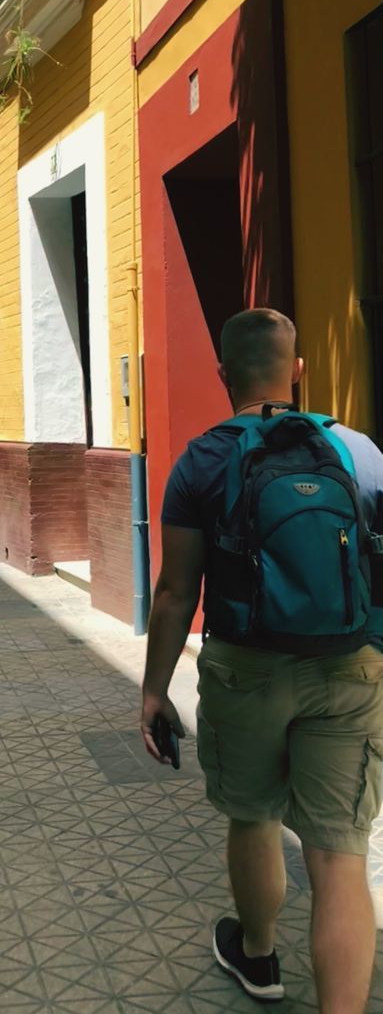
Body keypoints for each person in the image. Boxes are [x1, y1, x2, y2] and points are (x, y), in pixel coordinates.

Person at [142, 308, 383, 1012]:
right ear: (297, 370)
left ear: (223, 374)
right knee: (338, 854)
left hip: (243, 669)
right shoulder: (358, 452)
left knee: (251, 817)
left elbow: (174, 591)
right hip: (348, 665)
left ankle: (256, 955)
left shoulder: (201, 460)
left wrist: (154, 691)